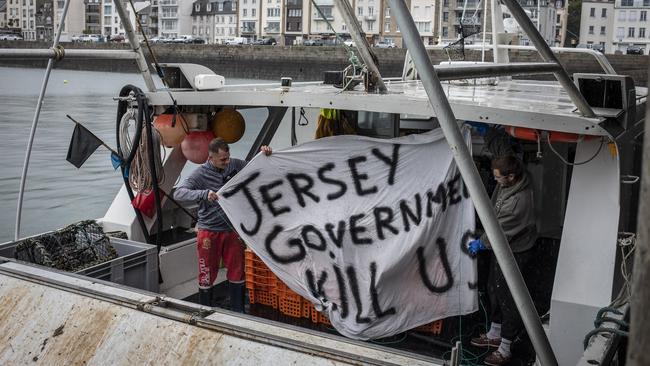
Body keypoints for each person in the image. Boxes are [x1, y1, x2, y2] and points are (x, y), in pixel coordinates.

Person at [174, 137, 272, 311]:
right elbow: (179, 194)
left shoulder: (233, 164)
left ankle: (238, 311)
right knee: (207, 274)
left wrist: (264, 154)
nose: (227, 162)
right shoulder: (199, 174)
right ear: (210, 158)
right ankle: (205, 310)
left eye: (228, 157)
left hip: (231, 229)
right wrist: (204, 194)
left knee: (237, 271)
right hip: (209, 232)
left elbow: (254, 167)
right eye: (222, 160)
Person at [468, 154, 538, 366]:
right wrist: (489, 132)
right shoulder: (511, 182)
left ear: (511, 177)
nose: (495, 180)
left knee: (509, 298)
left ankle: (506, 347)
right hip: (503, 250)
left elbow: (499, 231)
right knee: (493, 288)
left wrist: (482, 242)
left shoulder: (518, 202)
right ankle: (495, 332)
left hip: (515, 252)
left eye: (498, 177)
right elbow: (502, 147)